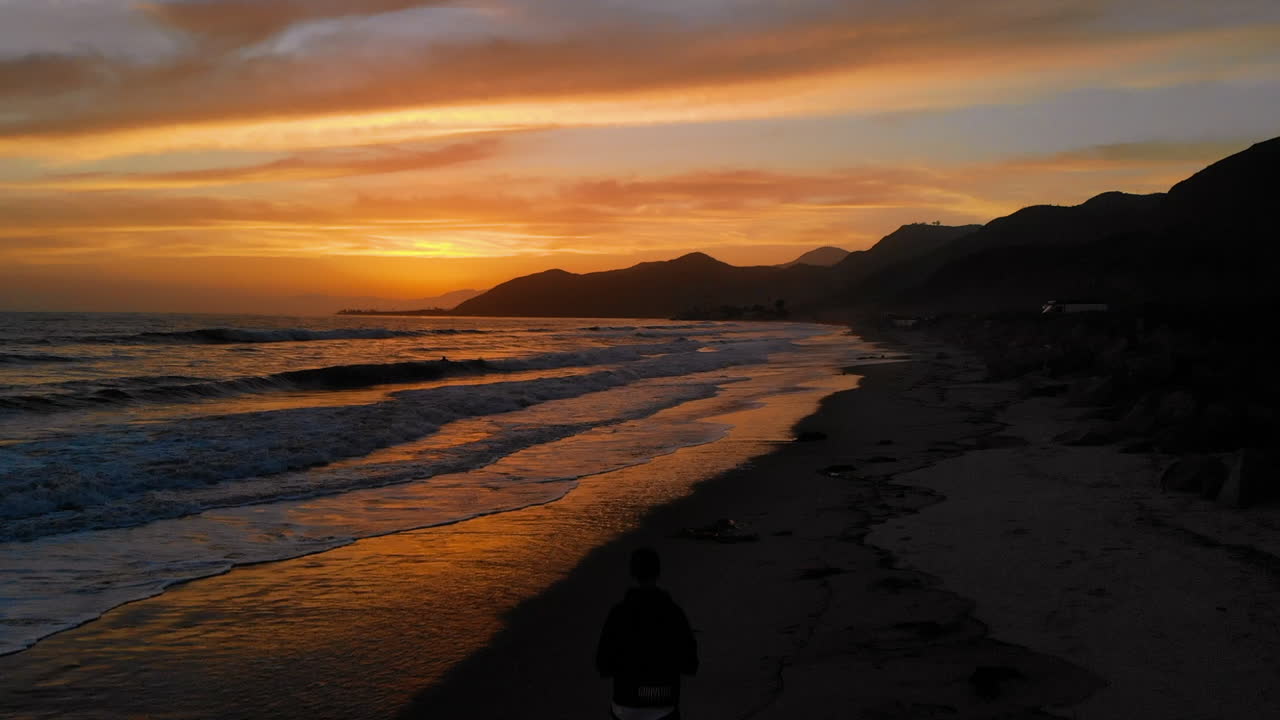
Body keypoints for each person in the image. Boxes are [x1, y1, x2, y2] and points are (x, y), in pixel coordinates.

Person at [596, 547, 698, 720]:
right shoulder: (673, 613)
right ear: (658, 573)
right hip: (663, 703)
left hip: (624, 703)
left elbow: (603, 666)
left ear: (632, 573)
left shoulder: (618, 613)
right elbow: (691, 665)